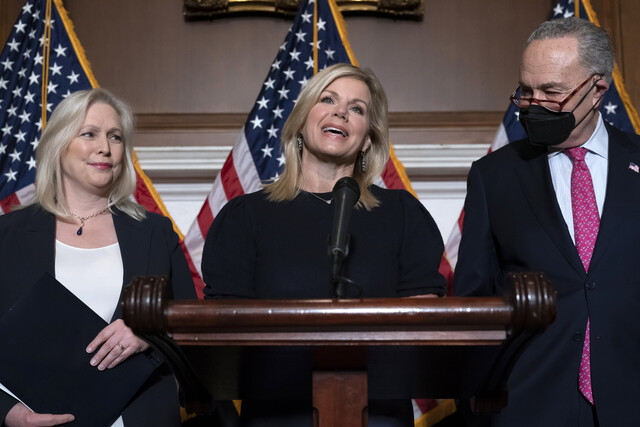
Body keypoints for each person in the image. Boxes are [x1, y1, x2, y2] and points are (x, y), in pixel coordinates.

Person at [202, 63, 447, 425]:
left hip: (377, 413)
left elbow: (423, 324)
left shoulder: (402, 214)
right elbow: (223, 329)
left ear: (367, 139)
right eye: (327, 99)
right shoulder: (244, 217)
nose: (340, 112)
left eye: (357, 109)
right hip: (277, 414)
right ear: (302, 120)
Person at [454, 17, 640, 426]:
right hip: (528, 404)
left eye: (551, 92)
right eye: (526, 91)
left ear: (597, 90)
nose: (533, 104)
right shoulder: (493, 176)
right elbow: (473, 306)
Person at [0, 88, 196, 427]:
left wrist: (149, 333)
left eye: (115, 137)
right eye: (89, 134)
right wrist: (7, 413)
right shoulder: (8, 235)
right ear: (59, 144)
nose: (105, 147)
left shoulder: (155, 232)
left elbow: (195, 330)